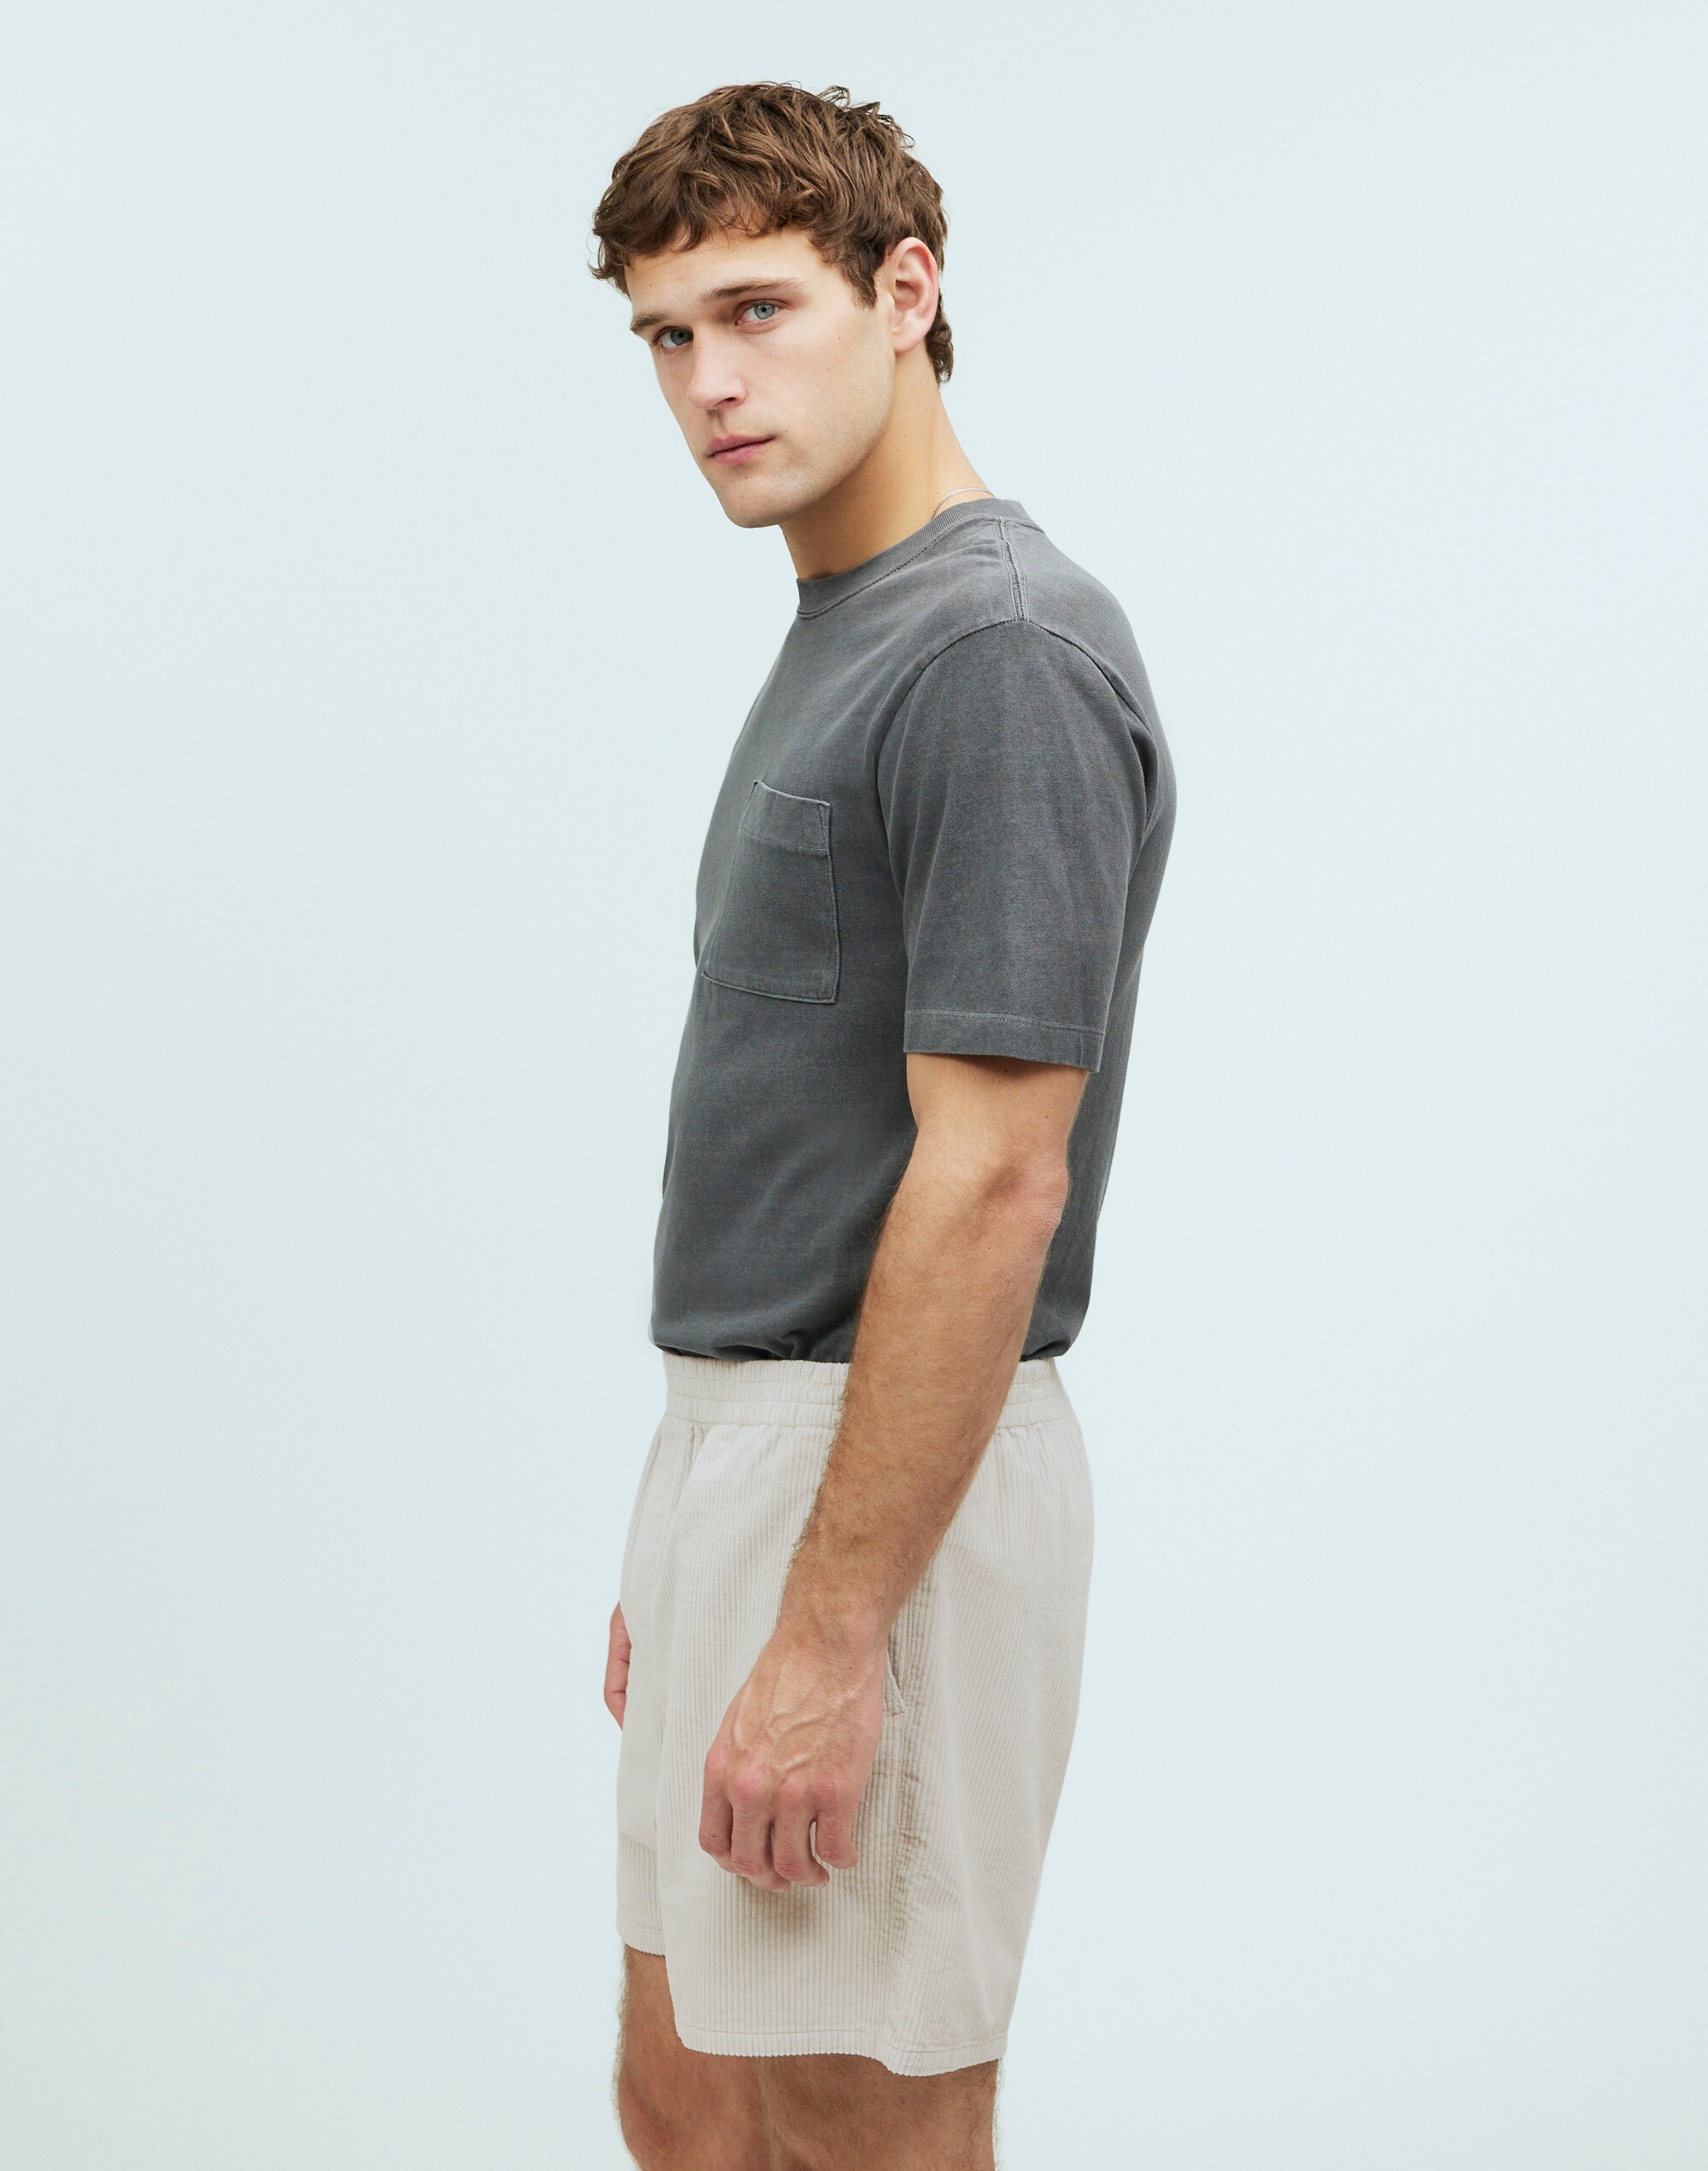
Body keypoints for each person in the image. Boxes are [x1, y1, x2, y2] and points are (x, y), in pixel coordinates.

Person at [589, 81, 1177, 2171]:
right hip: (754, 1447)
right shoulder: (855, 627)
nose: (708, 383)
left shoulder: (995, 650)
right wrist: (693, 1517)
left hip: (879, 1473)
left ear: (906, 291)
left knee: (856, 2122)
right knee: (684, 2097)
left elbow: (996, 1172)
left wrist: (829, 1628)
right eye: (666, 335)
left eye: (758, 311)